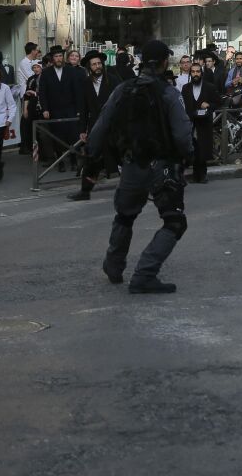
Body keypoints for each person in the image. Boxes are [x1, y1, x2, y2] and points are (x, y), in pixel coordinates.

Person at [83, 40, 193, 294]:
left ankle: (114, 264)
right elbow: (182, 134)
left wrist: (91, 159)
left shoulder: (123, 89)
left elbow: (101, 125)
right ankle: (144, 274)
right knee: (174, 221)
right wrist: (188, 157)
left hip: (132, 164)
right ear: (165, 62)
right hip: (163, 166)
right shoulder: (167, 92)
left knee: (125, 215)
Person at [69, 51, 119, 200]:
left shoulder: (113, 80)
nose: (97, 67)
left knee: (123, 158)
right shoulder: (85, 83)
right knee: (91, 160)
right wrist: (82, 130)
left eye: (99, 64)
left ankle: (139, 188)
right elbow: (83, 108)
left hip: (113, 127)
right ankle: (85, 192)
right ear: (89, 67)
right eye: (94, 64)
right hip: (95, 127)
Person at [38, 45, 85, 172]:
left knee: (72, 135)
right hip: (54, 110)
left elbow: (77, 91)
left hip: (70, 109)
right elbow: (42, 93)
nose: (59, 58)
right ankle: (60, 162)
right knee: (57, 136)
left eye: (60, 56)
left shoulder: (71, 71)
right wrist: (45, 109)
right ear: (52, 59)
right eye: (56, 56)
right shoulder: (46, 73)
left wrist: (79, 108)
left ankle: (74, 159)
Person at [181, 60, 220, 184]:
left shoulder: (209, 87)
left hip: (204, 123)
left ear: (201, 73)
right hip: (191, 122)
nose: (195, 74)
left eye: (198, 71)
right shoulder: (185, 88)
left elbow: (218, 102)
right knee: (193, 149)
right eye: (193, 72)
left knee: (202, 149)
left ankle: (202, 175)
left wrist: (209, 105)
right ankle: (194, 174)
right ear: (190, 74)